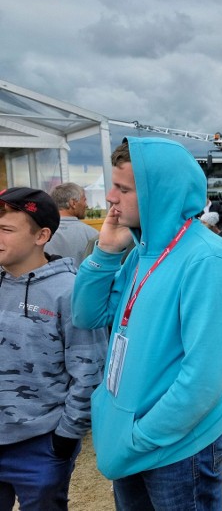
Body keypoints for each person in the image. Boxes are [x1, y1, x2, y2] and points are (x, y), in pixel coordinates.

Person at [71, 137, 222, 510]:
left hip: (174, 449)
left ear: (159, 193)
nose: (110, 198)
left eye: (123, 188)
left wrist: (142, 437)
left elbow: (203, 378)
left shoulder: (207, 259)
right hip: (129, 439)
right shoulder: (140, 253)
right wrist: (105, 252)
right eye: (112, 185)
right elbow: (86, 315)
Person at [0, 187, 108, 510]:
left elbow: (89, 371)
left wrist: (63, 439)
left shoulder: (70, 291)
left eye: (6, 230)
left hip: (41, 447)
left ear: (41, 235)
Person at [44, 182, 99, 267]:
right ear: (73, 203)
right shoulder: (93, 235)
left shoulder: (40, 234)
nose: (86, 205)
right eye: (84, 200)